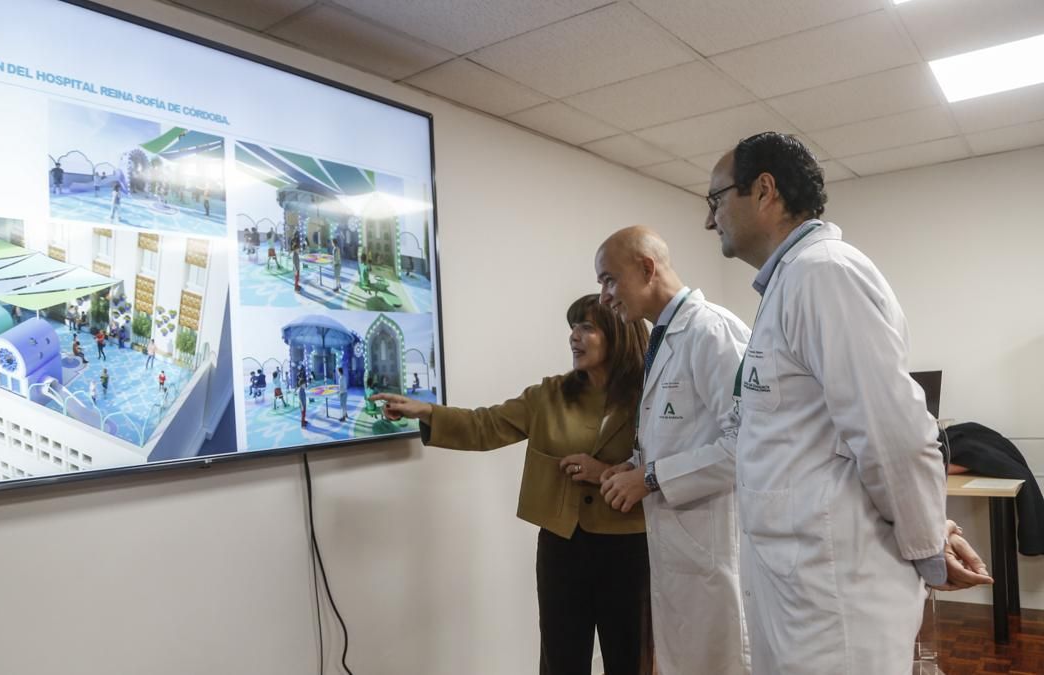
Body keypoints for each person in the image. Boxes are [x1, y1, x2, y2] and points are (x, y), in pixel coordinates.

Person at [704, 132, 990, 673]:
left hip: (836, 596)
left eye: (715, 199)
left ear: (764, 190)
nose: (708, 219)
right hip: (802, 585)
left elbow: (893, 434)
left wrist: (929, 544)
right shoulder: (789, 282)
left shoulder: (824, 273)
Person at [372, 295, 653, 675]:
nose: (574, 336)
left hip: (629, 546)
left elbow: (663, 467)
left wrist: (602, 471)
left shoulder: (650, 397)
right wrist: (427, 411)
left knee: (629, 657)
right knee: (561, 657)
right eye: (572, 327)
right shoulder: (549, 395)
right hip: (561, 546)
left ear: (617, 334)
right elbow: (486, 426)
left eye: (586, 327)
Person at [594, 226, 751, 675]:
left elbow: (747, 444)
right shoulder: (662, 339)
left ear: (647, 269)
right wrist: (632, 466)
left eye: (609, 280)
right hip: (680, 554)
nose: (604, 297)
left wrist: (650, 477)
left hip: (716, 553)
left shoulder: (711, 331)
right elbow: (681, 432)